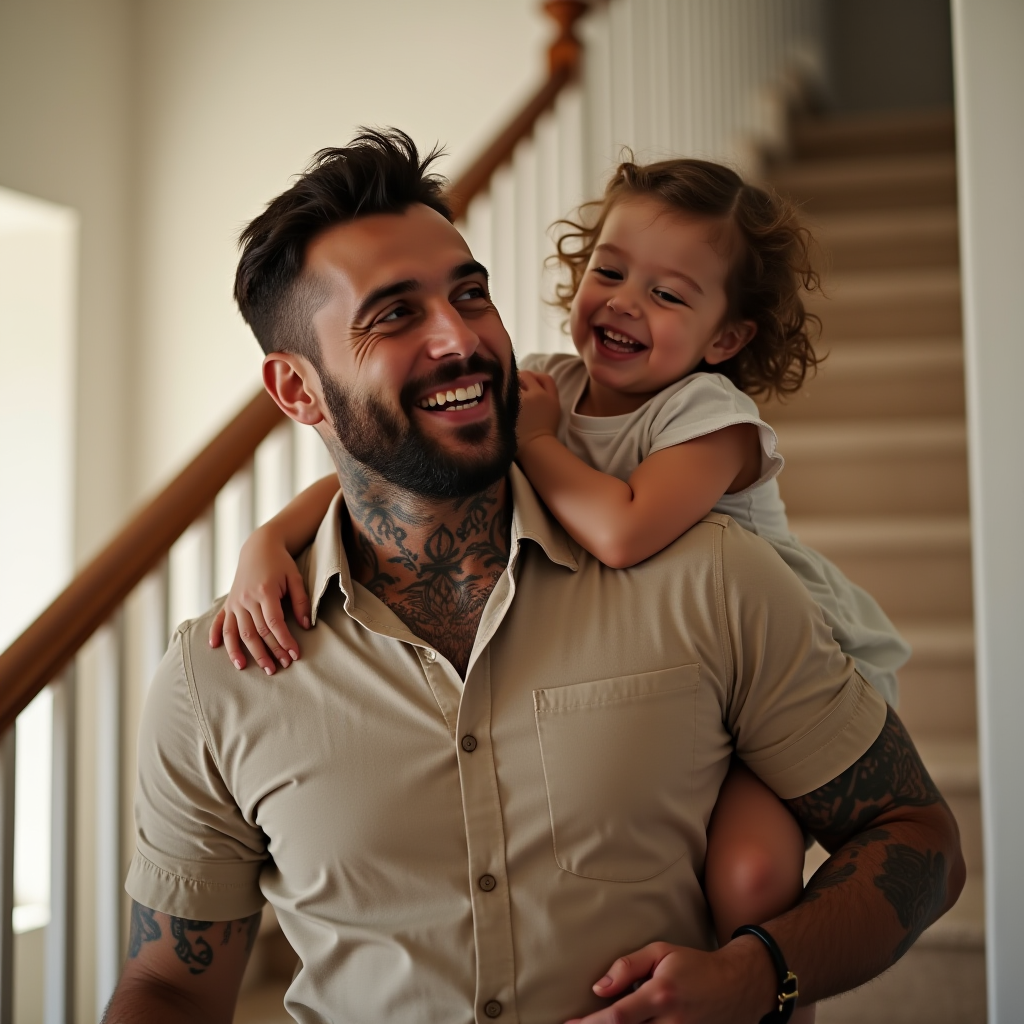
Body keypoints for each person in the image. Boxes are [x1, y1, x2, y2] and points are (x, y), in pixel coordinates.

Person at [104, 129, 963, 1024]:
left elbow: (919, 842)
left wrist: (760, 976)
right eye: (395, 314)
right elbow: (168, 984)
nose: (459, 339)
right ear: (297, 391)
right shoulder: (214, 678)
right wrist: (263, 544)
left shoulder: (713, 576)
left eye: (470, 294)